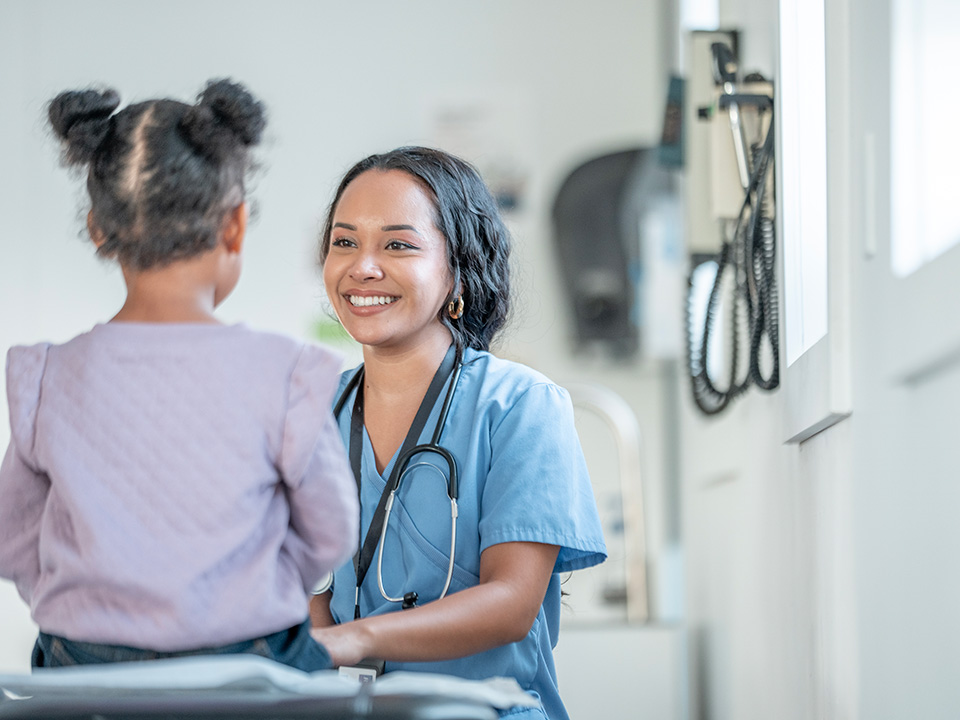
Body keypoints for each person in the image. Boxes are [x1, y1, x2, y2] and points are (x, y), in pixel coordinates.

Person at [0, 80, 359, 670]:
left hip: (86, 657)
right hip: (246, 652)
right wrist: (253, 592)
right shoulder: (282, 371)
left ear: (97, 228)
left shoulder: (47, 375)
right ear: (235, 226)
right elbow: (331, 530)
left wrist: (83, 609)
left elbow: (14, 538)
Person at [310, 146, 606, 719]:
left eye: (398, 244)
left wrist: (358, 639)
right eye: (344, 242)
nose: (363, 267)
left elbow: (512, 602)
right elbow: (308, 595)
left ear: (458, 268)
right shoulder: (310, 415)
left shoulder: (520, 406)